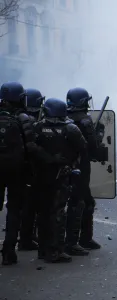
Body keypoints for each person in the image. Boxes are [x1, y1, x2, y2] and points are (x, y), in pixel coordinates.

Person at [0, 82, 54, 265]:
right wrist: (50, 159)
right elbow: (31, 147)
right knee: (14, 211)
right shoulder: (24, 119)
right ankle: (9, 252)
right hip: (17, 172)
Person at [34, 97, 87, 263]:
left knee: (42, 212)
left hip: (41, 175)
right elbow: (83, 147)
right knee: (58, 212)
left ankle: (43, 250)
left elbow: (31, 148)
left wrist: (48, 158)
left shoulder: (38, 127)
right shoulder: (70, 129)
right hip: (61, 175)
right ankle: (56, 250)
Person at [66, 87, 105, 251]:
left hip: (64, 166)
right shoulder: (85, 121)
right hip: (80, 167)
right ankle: (73, 243)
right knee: (79, 203)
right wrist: (100, 133)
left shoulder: (63, 118)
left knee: (84, 201)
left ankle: (84, 239)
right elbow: (93, 147)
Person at [18, 88, 45, 251]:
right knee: (31, 206)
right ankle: (26, 239)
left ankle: (26, 237)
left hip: (17, 168)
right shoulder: (32, 122)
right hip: (30, 169)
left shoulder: (16, 118)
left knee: (22, 206)